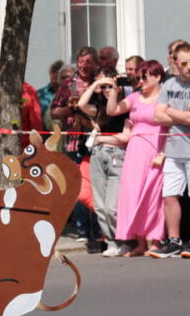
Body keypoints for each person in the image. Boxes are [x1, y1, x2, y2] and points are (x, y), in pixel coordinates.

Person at [102, 60, 166, 256]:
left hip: (156, 147)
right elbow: (112, 111)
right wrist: (113, 91)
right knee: (133, 194)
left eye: (145, 77)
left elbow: (171, 128)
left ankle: (155, 241)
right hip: (135, 150)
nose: (141, 81)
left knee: (153, 196)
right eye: (138, 77)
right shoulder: (135, 97)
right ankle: (140, 243)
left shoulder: (164, 99)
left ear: (157, 77)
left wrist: (162, 154)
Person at [150, 42, 190, 258]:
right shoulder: (169, 85)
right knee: (169, 196)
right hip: (173, 150)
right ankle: (174, 240)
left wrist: (169, 110)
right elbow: (157, 115)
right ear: (176, 63)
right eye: (185, 63)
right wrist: (180, 114)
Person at [78, 68, 129, 255]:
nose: (107, 90)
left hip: (116, 155)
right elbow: (82, 105)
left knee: (112, 207)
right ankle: (111, 242)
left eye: (110, 86)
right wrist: (94, 85)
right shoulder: (99, 108)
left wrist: (103, 139)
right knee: (99, 205)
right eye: (104, 87)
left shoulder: (124, 108)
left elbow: (125, 137)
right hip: (98, 155)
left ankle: (123, 240)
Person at [50, 47, 99, 238]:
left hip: (97, 140)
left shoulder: (99, 82)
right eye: (81, 61)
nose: (84, 65)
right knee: (77, 187)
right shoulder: (69, 85)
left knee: (95, 185)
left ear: (95, 63)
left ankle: (98, 229)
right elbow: (54, 111)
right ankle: (83, 230)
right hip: (74, 140)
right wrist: (72, 109)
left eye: (88, 62)